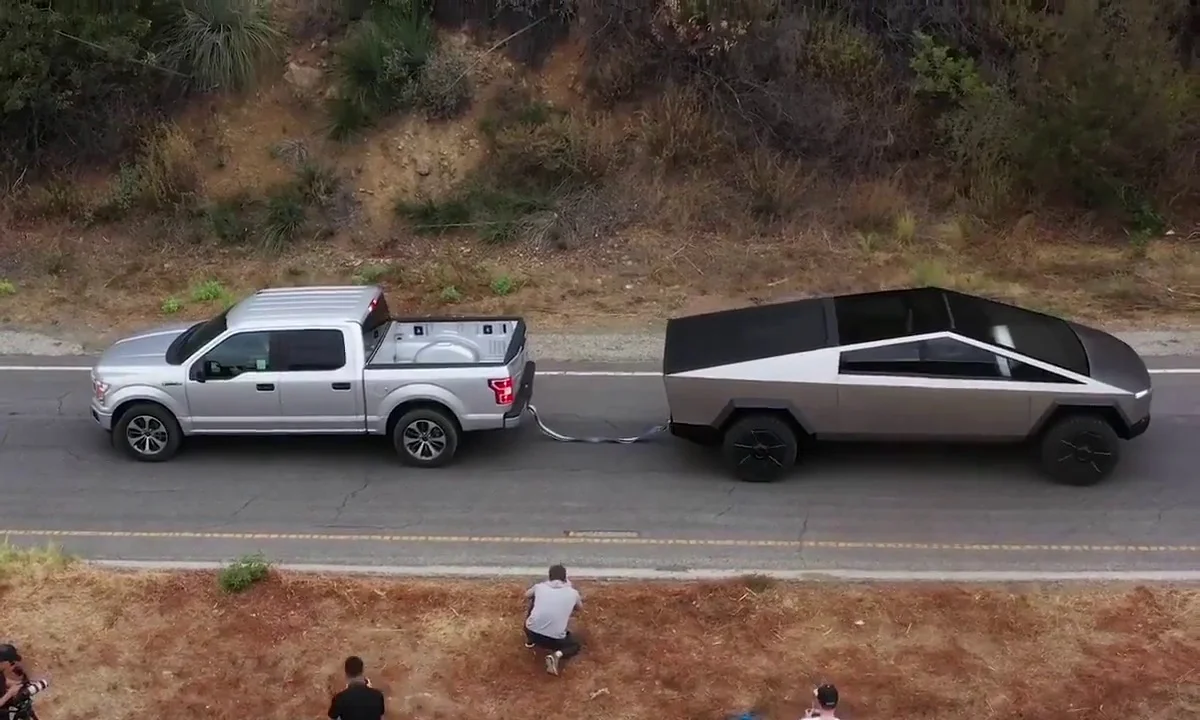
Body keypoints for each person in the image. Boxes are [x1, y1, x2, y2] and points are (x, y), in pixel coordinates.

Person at [523, 564, 582, 676]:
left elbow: (526, 595)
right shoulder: (573, 593)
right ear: (565, 578)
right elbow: (579, 608)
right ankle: (557, 654)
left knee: (534, 597)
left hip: (531, 631)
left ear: (549, 577)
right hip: (554, 641)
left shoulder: (540, 587)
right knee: (575, 646)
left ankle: (530, 641)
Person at [327, 656, 385, 720]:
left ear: (346, 673)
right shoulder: (377, 696)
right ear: (362, 671)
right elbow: (381, 715)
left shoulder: (340, 698)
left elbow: (333, 716)